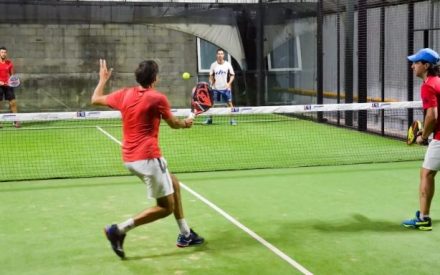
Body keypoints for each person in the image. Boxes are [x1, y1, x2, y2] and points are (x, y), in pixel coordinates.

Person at [91, 59, 204, 259]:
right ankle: (117, 230)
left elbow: (95, 98)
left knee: (174, 183)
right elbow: (174, 124)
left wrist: (102, 79)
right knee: (165, 208)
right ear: (155, 78)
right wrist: (186, 123)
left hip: (129, 158)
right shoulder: (157, 98)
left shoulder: (124, 94)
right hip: (148, 158)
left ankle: (186, 234)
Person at [402, 48, 440, 231]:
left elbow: (433, 115)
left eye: (416, 63)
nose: (412, 66)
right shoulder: (438, 82)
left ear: (426, 66)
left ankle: (423, 218)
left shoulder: (428, 85)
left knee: (426, 174)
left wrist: (423, 137)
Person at [204, 48, 236, 125]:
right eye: (219, 54)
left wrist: (229, 83)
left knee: (229, 103)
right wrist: (211, 83)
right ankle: (209, 119)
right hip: (215, 89)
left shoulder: (228, 64)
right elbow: (211, 75)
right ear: (216, 55)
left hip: (226, 89)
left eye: (221, 54)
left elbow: (232, 75)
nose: (220, 55)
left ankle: (232, 120)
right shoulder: (213, 65)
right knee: (211, 104)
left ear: (223, 55)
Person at [0, 46, 20, 128]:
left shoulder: (9, 63)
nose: (3, 54)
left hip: (8, 85)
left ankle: (16, 121)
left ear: (6, 53)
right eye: (2, 52)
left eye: (5, 52)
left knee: (13, 103)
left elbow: (12, 75)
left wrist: (13, 81)